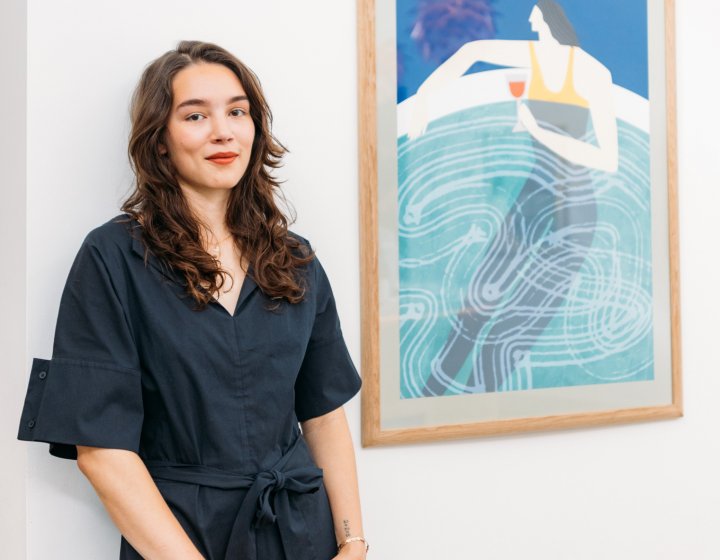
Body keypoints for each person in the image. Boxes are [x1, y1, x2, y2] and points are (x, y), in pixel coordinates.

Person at [17, 40, 368, 560]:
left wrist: (353, 542)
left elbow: (323, 415)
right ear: (160, 139)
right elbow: (101, 451)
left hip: (301, 534)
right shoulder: (112, 258)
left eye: (237, 111)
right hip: (182, 540)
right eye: (195, 115)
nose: (222, 130)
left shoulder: (293, 258)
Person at [408, 0, 619, 394]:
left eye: (535, 12)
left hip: (575, 210)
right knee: (477, 298)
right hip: (534, 194)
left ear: (547, 16)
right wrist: (424, 95)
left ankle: (479, 400)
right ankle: (433, 395)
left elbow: (606, 160)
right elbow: (473, 52)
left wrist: (536, 130)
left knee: (512, 328)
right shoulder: (535, 57)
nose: (528, 19)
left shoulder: (592, 73)